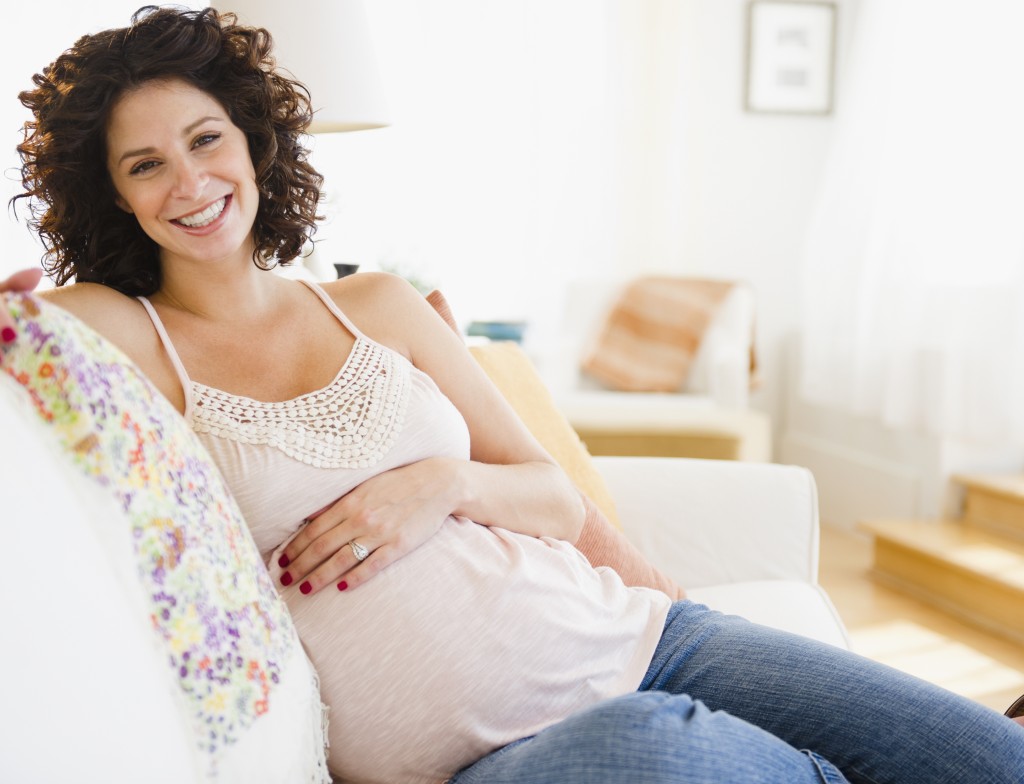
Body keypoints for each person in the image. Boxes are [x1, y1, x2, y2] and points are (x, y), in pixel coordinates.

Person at [3, 7, 1022, 783]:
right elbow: (20, 331)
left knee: (987, 755)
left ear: (252, 140)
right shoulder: (128, 334)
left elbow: (550, 495)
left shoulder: (378, 305)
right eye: (146, 164)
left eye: (205, 139)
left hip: (645, 641)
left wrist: (441, 484)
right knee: (655, 749)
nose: (189, 182)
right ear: (114, 195)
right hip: (496, 758)